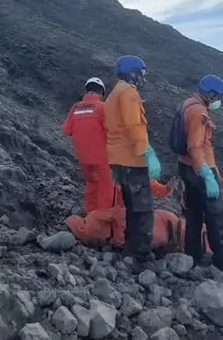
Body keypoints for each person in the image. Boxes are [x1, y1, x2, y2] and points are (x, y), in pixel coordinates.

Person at [171, 74, 223, 271]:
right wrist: (205, 173)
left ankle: (193, 255)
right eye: (219, 97)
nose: (219, 101)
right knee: (218, 215)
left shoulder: (187, 104)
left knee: (194, 213)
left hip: (185, 167)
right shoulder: (199, 112)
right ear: (211, 94)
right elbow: (195, 146)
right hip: (200, 168)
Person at [104, 55, 162, 263]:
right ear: (132, 73)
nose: (142, 78)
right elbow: (133, 125)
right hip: (132, 160)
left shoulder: (113, 94)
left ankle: (130, 249)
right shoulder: (128, 92)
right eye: (141, 73)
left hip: (118, 160)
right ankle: (141, 255)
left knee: (131, 207)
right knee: (144, 209)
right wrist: (147, 152)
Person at [65, 176, 179, 250]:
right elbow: (91, 189)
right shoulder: (102, 168)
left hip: (119, 222)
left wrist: (166, 189)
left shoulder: (129, 168)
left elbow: (147, 184)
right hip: (105, 221)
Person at [62, 77, 113, 214]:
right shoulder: (102, 107)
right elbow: (111, 130)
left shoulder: (75, 107)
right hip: (101, 158)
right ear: (101, 93)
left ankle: (90, 213)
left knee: (92, 183)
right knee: (106, 187)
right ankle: (102, 219)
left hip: (83, 158)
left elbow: (67, 130)